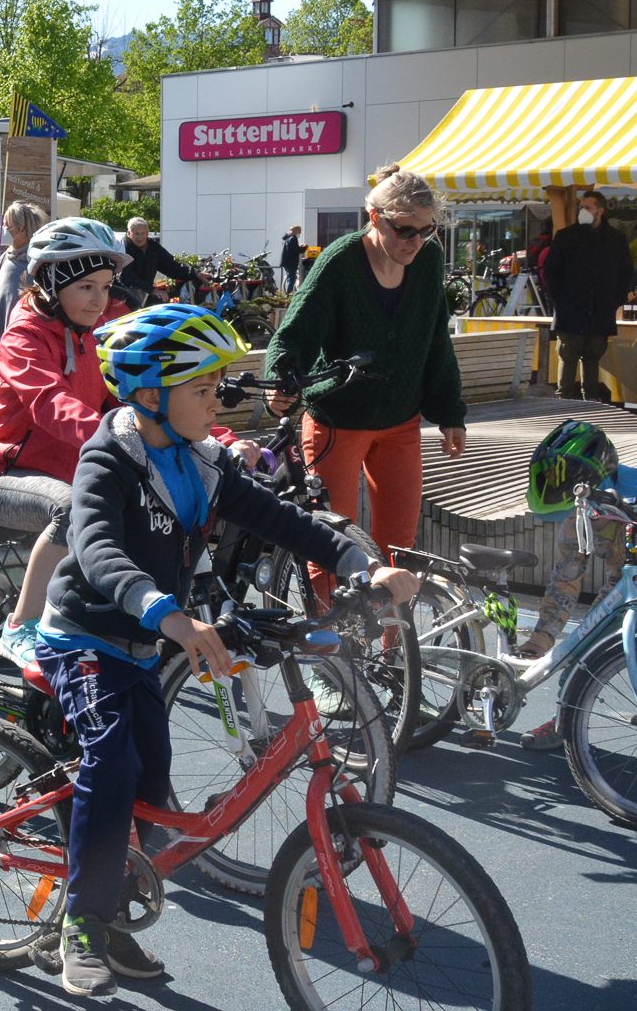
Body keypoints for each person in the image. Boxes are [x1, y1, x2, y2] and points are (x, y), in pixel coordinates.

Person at [37, 303, 418, 996]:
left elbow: (280, 518)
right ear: (150, 394)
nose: (219, 403)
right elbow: (94, 547)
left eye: (218, 387)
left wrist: (362, 565)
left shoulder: (200, 460)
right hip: (86, 635)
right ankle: (83, 924)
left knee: (151, 782)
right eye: (203, 390)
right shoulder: (111, 455)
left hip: (145, 644)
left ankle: (113, 913)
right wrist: (166, 613)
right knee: (113, 762)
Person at [264, 164, 467, 592]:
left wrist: (450, 412)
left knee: (402, 546)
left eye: (427, 232)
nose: (416, 242)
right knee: (330, 543)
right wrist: (280, 383)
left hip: (400, 420)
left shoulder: (427, 260)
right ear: (374, 218)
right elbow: (294, 333)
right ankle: (329, 650)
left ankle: (395, 655)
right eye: (405, 231)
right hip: (337, 419)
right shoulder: (340, 260)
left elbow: (435, 337)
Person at [0, 218, 129, 668]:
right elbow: (50, 404)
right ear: (51, 282)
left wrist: (214, 436)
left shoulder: (94, 336)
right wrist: (117, 435)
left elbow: (144, 394)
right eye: (85, 287)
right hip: (5, 475)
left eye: (105, 286)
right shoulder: (24, 336)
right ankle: (18, 626)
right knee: (70, 508)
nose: (99, 299)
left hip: (73, 468)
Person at [516, 420, 634, 748]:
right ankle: (566, 720)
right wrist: (540, 642)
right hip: (624, 582)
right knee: (583, 645)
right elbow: (567, 578)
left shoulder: (631, 491)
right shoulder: (579, 501)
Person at [543, 189, 632, 402]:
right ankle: (563, 403)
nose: (583, 211)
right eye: (582, 207)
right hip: (570, 311)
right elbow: (551, 272)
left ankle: (590, 403)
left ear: (600, 210)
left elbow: (626, 273)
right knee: (568, 357)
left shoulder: (615, 239)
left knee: (592, 359)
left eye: (588, 207)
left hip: (600, 311)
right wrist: (559, 301)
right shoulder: (567, 236)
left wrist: (614, 301)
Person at [0, 200, 48, 335]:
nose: (2, 230)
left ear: (20, 229)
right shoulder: (5, 257)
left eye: (6, 226)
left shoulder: (37, 263)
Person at [117, 217, 205, 304]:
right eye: (137, 234)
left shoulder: (153, 247)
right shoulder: (122, 248)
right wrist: (152, 290)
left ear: (147, 233)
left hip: (145, 295)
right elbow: (126, 277)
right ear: (129, 233)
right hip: (123, 297)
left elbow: (171, 265)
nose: (140, 237)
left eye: (143, 233)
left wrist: (195, 273)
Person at [279, 224, 303, 293]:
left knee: (290, 278)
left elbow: (290, 249)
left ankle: (287, 292)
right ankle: (288, 294)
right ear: (295, 231)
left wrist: (299, 247)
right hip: (291, 263)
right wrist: (303, 247)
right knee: (292, 279)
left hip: (286, 262)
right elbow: (295, 251)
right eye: (299, 231)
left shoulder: (286, 238)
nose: (299, 234)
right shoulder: (293, 238)